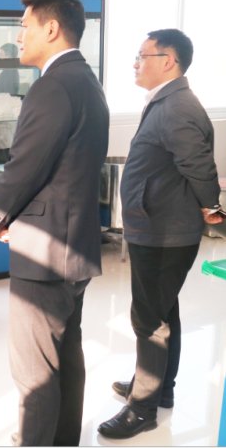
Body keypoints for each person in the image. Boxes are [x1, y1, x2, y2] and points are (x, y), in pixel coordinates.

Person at [0, 0, 109, 446]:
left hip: (44, 249)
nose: (18, 36)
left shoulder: (52, 86)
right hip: (74, 245)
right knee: (66, 358)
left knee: (34, 374)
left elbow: (25, 165)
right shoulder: (86, 79)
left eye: (25, 26)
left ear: (51, 28)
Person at [98, 29, 223, 439]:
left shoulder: (177, 106)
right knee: (163, 310)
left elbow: (199, 166)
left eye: (142, 55)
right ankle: (159, 388)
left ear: (168, 61)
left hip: (165, 231)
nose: (135, 63)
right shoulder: (166, 101)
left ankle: (142, 409)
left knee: (149, 319)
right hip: (156, 225)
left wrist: (212, 207)